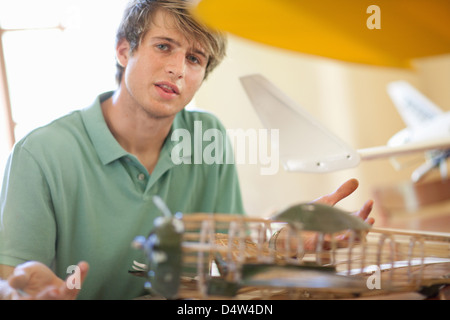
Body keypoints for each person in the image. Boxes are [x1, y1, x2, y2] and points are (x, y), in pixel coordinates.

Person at [0, 0, 373, 300]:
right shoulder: (41, 153)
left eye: (194, 59)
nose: (178, 69)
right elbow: (11, 280)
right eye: (164, 47)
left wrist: (288, 239)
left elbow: (227, 249)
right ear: (124, 51)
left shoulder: (207, 135)